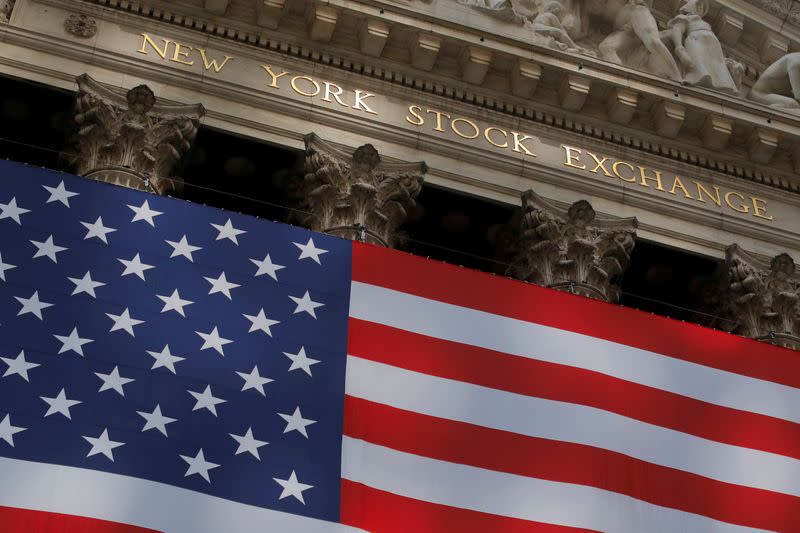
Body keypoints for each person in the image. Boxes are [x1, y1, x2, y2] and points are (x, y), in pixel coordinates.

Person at [667, 0, 737, 93]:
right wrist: (679, 47)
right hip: (696, 39)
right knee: (698, 57)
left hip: (712, 44)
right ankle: (697, 77)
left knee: (715, 62)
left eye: (702, 7)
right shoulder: (685, 18)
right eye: (698, 5)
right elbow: (677, 30)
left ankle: (721, 83)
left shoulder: (703, 22)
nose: (701, 8)